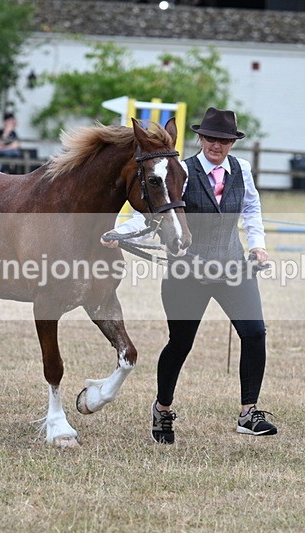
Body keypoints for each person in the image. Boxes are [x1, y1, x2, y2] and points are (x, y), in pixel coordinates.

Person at [101, 107, 277, 444]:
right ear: (200, 138)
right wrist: (120, 233)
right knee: (181, 342)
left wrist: (258, 246)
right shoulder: (181, 170)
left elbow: (252, 209)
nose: (217, 145)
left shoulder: (242, 170)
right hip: (188, 272)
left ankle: (248, 413)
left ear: (232, 142)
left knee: (255, 333)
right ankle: (163, 409)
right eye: (211, 138)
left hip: (233, 268)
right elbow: (155, 213)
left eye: (224, 140)